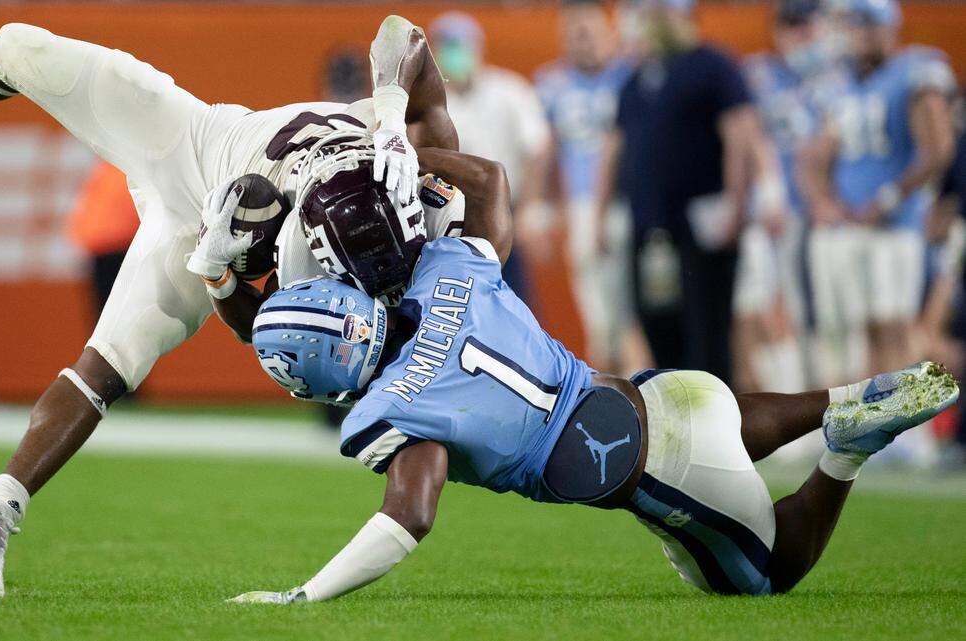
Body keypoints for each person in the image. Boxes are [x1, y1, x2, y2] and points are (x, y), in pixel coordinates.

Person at [0, 14, 464, 598]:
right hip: (195, 137)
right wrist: (389, 116)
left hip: (205, 235)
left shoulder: (346, 277)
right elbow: (401, 35)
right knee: (25, 47)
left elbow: (264, 332)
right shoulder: (414, 161)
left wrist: (218, 275)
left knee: (109, 365)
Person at [227, 153, 958, 601]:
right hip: (663, 390)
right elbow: (489, 178)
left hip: (656, 472)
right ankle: (835, 400)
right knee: (721, 420)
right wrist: (403, 147)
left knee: (771, 575)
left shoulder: (389, 410)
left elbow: (408, 516)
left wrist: (309, 593)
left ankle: (845, 447)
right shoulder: (445, 269)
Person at [591, 0, 775, 385]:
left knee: (707, 325)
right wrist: (601, 217)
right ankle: (677, 417)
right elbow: (615, 149)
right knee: (657, 321)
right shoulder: (636, 78)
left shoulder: (713, 65)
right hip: (650, 225)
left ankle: (715, 418)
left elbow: (741, 136)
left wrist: (737, 203)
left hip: (702, 220)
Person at [800, 0, 956, 385]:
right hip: (854, 224)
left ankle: (913, 423)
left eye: (870, 24)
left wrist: (888, 199)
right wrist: (824, 201)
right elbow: (815, 156)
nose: (863, 33)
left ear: (890, 27)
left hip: (896, 225)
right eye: (857, 24)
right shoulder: (841, 83)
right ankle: (881, 419)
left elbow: (938, 147)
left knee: (896, 324)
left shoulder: (913, 72)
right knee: (865, 326)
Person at [531, 0, 650, 375]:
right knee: (601, 320)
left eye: (591, 31)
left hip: (635, 200)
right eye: (576, 33)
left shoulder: (631, 74)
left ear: (610, 33)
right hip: (584, 205)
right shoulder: (552, 83)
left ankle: (642, 392)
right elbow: (546, 151)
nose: (585, 41)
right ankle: (622, 397)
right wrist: (537, 205)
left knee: (639, 310)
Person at [733, 0, 834, 393]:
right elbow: (751, 137)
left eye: (806, 26)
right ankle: (793, 398)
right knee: (769, 305)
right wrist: (770, 192)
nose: (800, 36)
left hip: (826, 212)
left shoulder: (839, 78)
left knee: (825, 311)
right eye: (792, 26)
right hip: (776, 213)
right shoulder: (760, 74)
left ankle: (824, 399)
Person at [426, 11, 551, 307]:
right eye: (446, 47)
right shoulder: (434, 104)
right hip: (455, 220)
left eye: (459, 46)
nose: (454, 54)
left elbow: (538, 148)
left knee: (514, 301)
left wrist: (530, 208)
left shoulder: (509, 90)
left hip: (505, 212)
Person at [67, 161, 139, 318]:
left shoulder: (106, 168)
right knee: (123, 315)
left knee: (108, 317)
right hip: (122, 246)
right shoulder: (127, 168)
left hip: (104, 244)